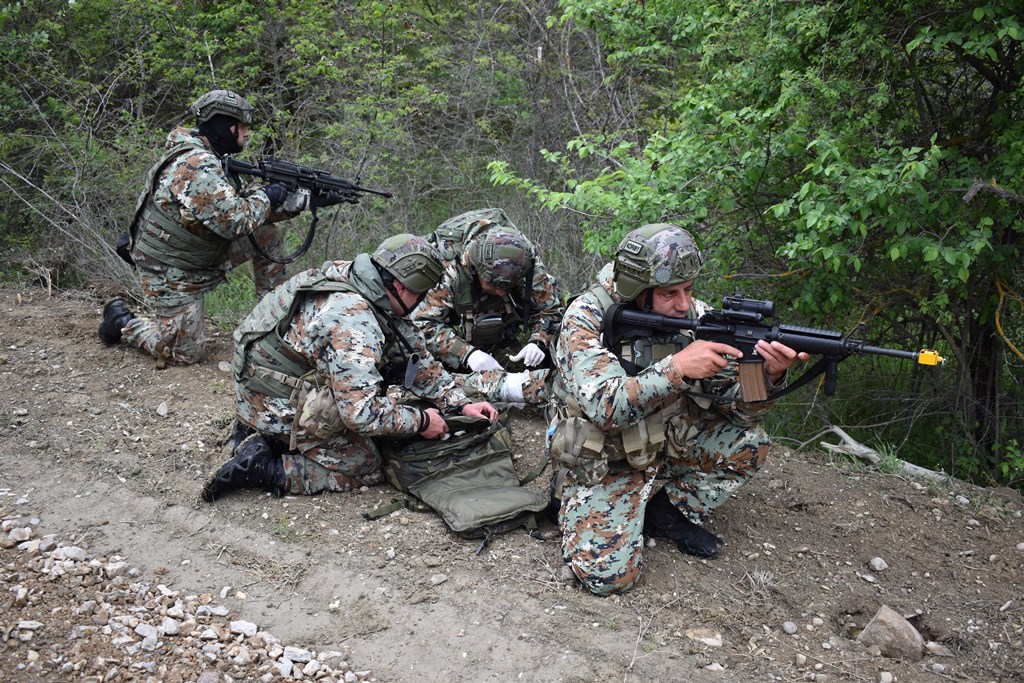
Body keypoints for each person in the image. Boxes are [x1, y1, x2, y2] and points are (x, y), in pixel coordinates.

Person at [547, 223, 809, 596]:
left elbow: (741, 414)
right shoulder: (586, 318)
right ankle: (580, 499)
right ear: (636, 289)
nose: (684, 304)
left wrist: (766, 375)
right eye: (669, 293)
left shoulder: (695, 319)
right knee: (608, 579)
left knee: (751, 444)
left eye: (688, 290)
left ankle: (663, 508)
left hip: (665, 444)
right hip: (605, 459)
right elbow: (607, 408)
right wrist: (678, 369)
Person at [202, 233, 499, 501]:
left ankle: (266, 433)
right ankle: (264, 467)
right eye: (418, 295)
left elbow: (413, 355)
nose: (420, 303)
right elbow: (361, 415)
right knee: (366, 465)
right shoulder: (354, 320)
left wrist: (460, 404)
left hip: (261, 383)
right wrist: (422, 421)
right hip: (271, 401)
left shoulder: (358, 278)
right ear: (398, 285)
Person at [98, 89, 348, 366]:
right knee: (185, 354)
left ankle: (273, 323)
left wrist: (308, 200)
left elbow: (250, 212)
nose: (246, 133)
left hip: (200, 253)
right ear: (221, 125)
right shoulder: (195, 164)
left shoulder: (213, 158)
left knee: (265, 235)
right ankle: (123, 321)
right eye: (240, 126)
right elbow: (235, 221)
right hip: (171, 267)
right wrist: (268, 195)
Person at [411, 209, 563, 406]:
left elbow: (551, 310)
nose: (501, 293)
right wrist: (467, 353)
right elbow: (422, 325)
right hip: (454, 319)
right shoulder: (447, 268)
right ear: (476, 270)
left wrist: (539, 340)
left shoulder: (524, 260)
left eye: (507, 287)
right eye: (494, 285)